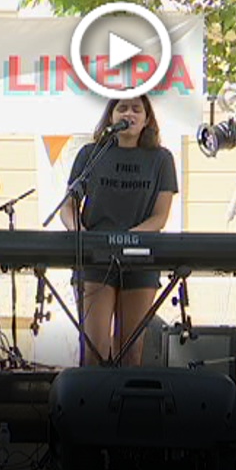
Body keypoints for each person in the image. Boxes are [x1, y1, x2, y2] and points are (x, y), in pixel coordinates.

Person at [60, 95, 178, 367]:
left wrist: (128, 239)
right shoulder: (91, 154)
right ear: (111, 117)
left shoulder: (161, 159)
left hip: (141, 258)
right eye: (122, 108)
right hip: (94, 259)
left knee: (131, 352)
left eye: (137, 109)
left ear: (146, 120)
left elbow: (160, 216)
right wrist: (80, 232)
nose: (129, 114)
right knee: (94, 350)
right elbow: (68, 206)